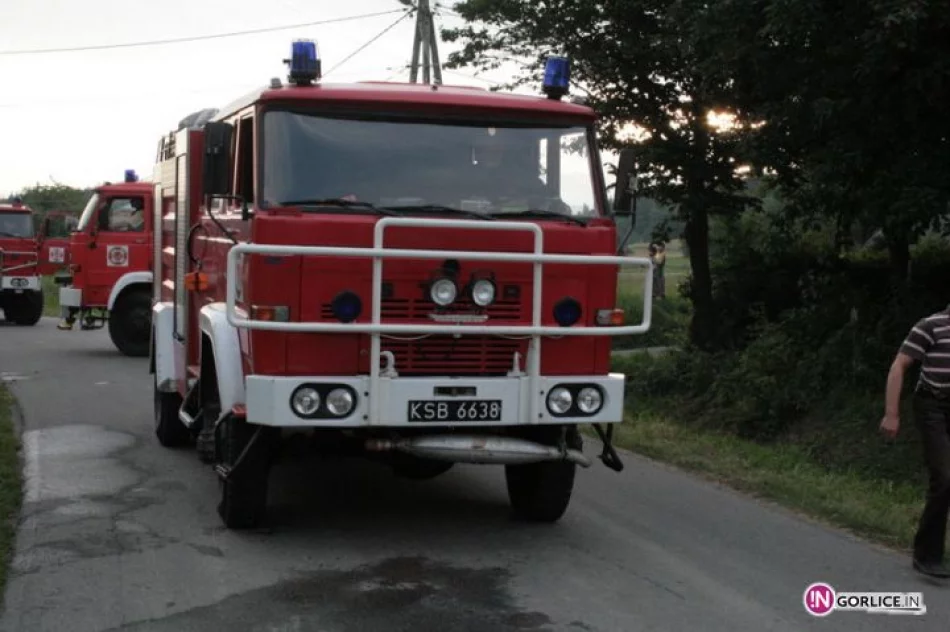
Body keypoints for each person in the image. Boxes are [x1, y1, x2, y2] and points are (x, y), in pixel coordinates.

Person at [880, 304, 950, 577]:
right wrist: (891, 414)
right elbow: (899, 366)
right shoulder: (930, 326)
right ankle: (927, 555)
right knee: (944, 478)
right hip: (932, 405)